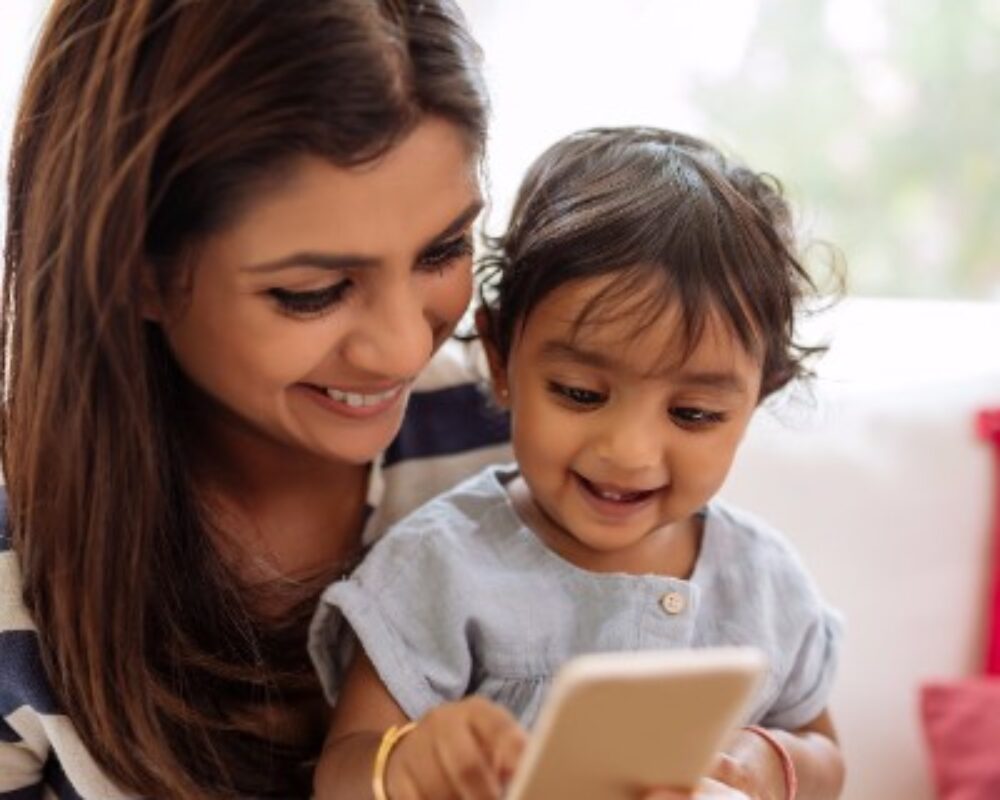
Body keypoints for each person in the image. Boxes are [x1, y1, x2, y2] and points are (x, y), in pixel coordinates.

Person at [0, 1, 511, 797]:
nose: (406, 347)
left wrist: (772, 760)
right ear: (134, 267)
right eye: (313, 292)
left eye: (443, 250)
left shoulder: (520, 434)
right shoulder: (13, 577)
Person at [311, 127, 847, 799]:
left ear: (755, 400)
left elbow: (827, 754)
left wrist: (771, 762)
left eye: (694, 415)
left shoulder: (765, 582)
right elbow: (340, 772)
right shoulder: (438, 567)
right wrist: (407, 763)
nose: (628, 452)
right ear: (502, 362)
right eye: (580, 394)